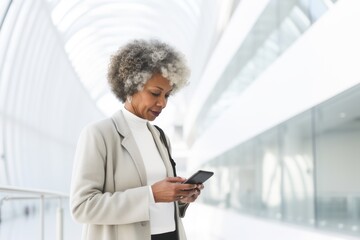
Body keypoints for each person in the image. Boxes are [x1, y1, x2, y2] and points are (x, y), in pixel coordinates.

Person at [70, 39, 204, 240]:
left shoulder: (160, 137)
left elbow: (162, 204)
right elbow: (82, 206)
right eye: (155, 93)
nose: (162, 103)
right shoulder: (99, 135)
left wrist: (182, 198)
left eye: (167, 95)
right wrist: (150, 195)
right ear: (131, 86)